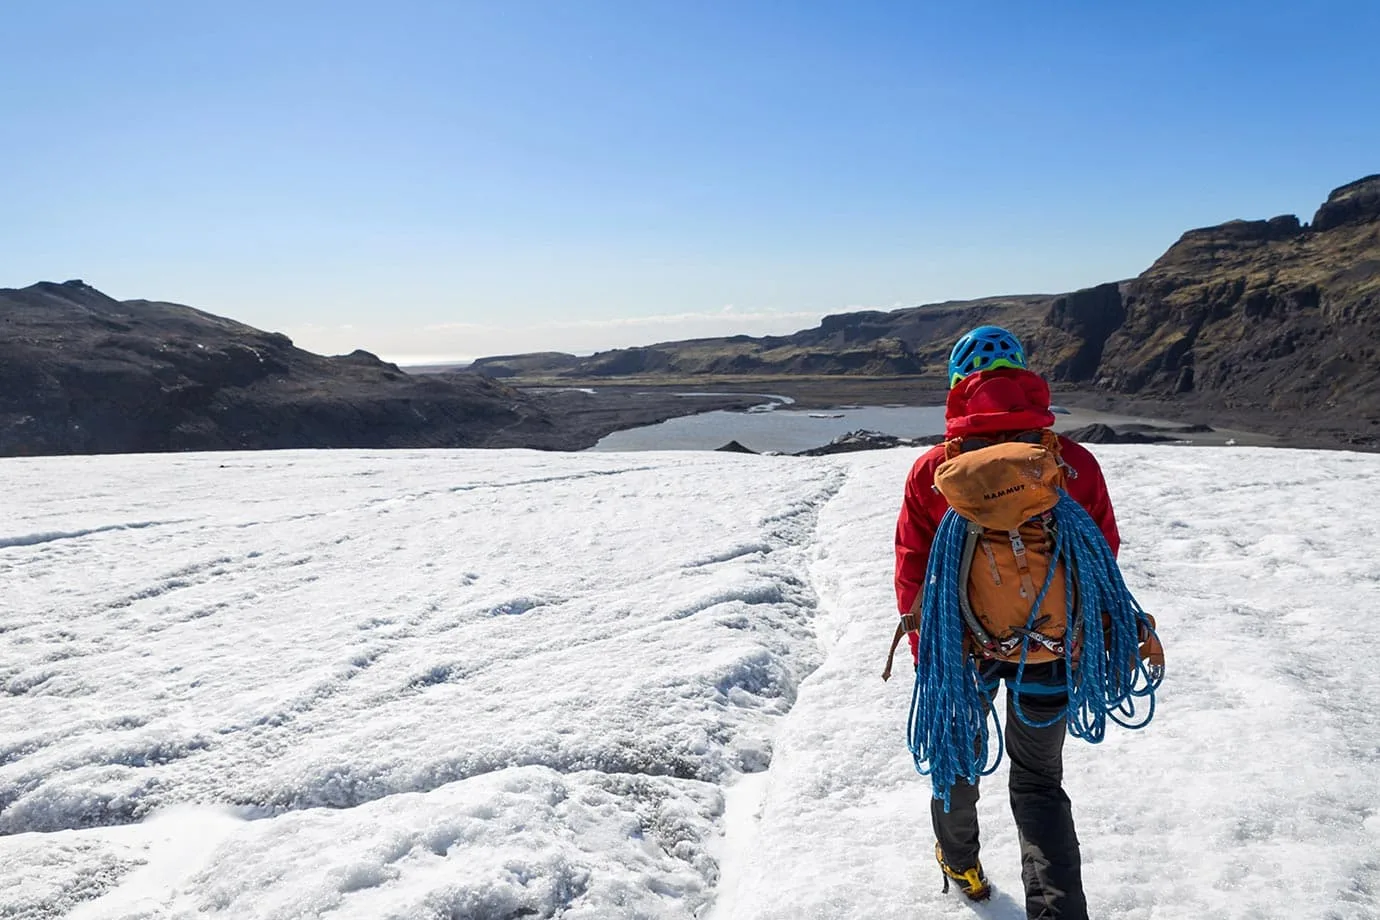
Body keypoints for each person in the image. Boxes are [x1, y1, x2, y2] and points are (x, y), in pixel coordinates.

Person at [892, 325, 1120, 920]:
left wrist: (929, 654)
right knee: (1040, 783)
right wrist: (1082, 637)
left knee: (955, 760)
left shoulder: (932, 472)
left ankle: (960, 864)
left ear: (956, 388)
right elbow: (1103, 555)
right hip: (1051, 647)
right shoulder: (1071, 463)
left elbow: (914, 573)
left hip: (960, 650)